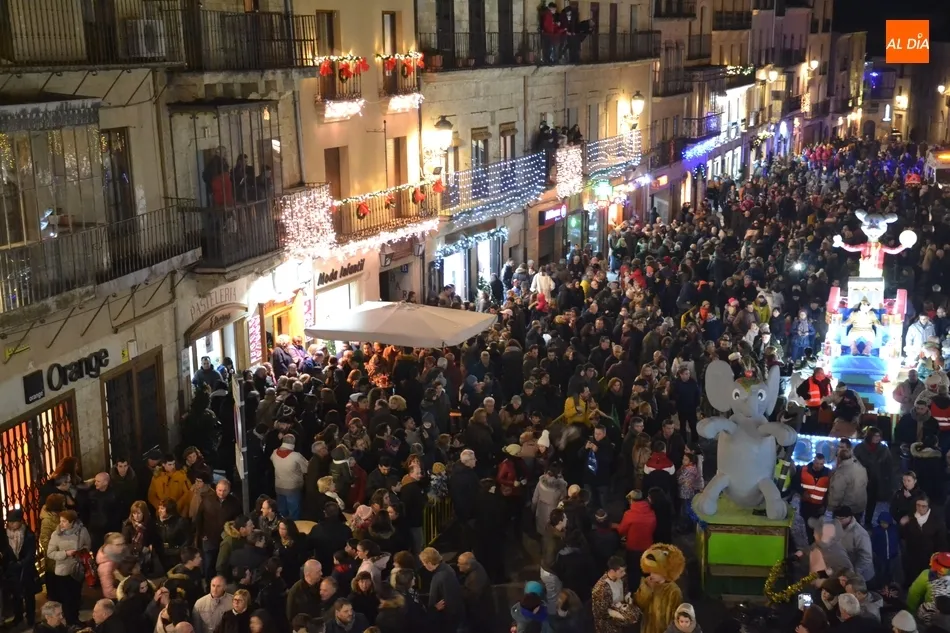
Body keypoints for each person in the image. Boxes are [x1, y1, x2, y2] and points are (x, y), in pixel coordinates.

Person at [45, 509, 91, 625]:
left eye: (64, 521)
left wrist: (81, 552)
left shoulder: (82, 531)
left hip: (77, 569)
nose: (61, 524)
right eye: (60, 521)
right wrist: (65, 553)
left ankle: (75, 620)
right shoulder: (56, 534)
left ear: (72, 522)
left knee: (76, 597)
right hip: (63, 571)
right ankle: (69, 622)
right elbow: (50, 553)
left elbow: (87, 545)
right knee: (66, 599)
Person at [900, 494, 948, 585]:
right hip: (913, 557)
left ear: (928, 506)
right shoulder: (910, 519)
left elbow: (941, 542)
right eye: (918, 505)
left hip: (929, 558)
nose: (920, 508)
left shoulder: (936, 521)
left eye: (923, 506)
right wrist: (902, 525)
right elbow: (903, 536)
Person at [1, 508, 37, 627]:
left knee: (29, 595)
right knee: (15, 595)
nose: (11, 524)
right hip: (11, 570)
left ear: (21, 521)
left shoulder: (28, 534)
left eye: (14, 522)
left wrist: (22, 564)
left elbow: (31, 554)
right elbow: (4, 551)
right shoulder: (4, 535)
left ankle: (31, 617)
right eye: (9, 522)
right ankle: (18, 616)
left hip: (26, 570)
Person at [420, 547, 464, 632]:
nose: (424, 566)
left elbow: (436, 601)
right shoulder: (447, 568)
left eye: (424, 563)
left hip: (445, 622)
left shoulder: (439, 577)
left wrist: (433, 609)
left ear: (429, 563)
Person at [827, 440, 868, 522]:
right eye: (838, 447)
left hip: (845, 508)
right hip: (859, 506)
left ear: (849, 449)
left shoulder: (843, 470)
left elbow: (837, 491)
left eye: (842, 447)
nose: (839, 449)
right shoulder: (857, 464)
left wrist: (831, 507)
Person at [271, 434, 308, 520]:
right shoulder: (296, 456)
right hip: (293, 488)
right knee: (294, 512)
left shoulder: (274, 453)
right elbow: (306, 469)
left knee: (281, 511)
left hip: (279, 486)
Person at [834, 506, 875, 583]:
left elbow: (866, 557)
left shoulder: (860, 533)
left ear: (850, 517)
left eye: (842, 519)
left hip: (861, 577)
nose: (839, 521)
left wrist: (854, 573)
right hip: (843, 572)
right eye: (837, 518)